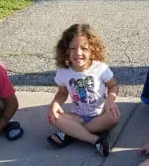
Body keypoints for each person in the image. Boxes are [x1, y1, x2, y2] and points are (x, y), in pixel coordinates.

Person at [47, 24, 120, 156]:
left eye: (84, 48)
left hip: (99, 114)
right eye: (73, 48)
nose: (78, 53)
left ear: (92, 49)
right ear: (66, 50)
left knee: (114, 118)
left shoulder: (100, 68)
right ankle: (96, 139)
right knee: (54, 118)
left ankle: (70, 134)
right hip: (78, 116)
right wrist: (55, 104)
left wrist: (110, 101)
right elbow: (62, 93)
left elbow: (113, 86)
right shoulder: (63, 72)